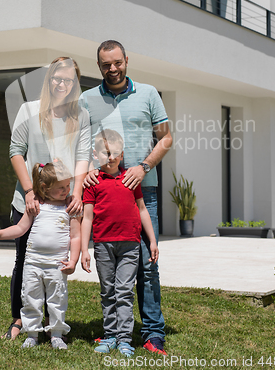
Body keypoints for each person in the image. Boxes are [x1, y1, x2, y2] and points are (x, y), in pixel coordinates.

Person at [80, 41, 172, 355]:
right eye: (106, 65)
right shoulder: (87, 99)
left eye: (117, 62)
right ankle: (115, 331)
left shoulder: (148, 94)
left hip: (142, 191)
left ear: (126, 60)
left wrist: (144, 166)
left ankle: (152, 332)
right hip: (103, 192)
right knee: (108, 264)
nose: (113, 69)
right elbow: (78, 143)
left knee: (147, 264)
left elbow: (166, 137)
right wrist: (88, 170)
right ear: (99, 66)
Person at [5, 57, 90, 340]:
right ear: (49, 79)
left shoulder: (82, 115)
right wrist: (29, 191)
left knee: (58, 263)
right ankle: (20, 319)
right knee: (23, 261)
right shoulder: (29, 110)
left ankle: (54, 323)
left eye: (69, 80)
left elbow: (83, 156)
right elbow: (16, 150)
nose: (62, 84)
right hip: (29, 202)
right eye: (57, 78)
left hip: (64, 204)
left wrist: (76, 191)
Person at [81, 129, 159, 358]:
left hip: (130, 246)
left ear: (122, 154)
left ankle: (124, 339)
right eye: (106, 153)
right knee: (108, 291)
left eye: (115, 153)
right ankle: (110, 335)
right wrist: (84, 249)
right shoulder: (92, 183)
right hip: (104, 245)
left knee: (124, 291)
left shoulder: (130, 180)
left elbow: (142, 210)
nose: (111, 157)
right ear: (96, 155)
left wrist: (152, 240)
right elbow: (87, 217)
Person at [0, 160, 80, 349]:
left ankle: (56, 334)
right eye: (61, 187)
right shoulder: (36, 206)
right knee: (31, 298)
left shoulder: (70, 209)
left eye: (68, 185)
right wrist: (0, 233)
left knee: (57, 300)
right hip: (33, 263)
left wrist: (74, 260)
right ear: (45, 187)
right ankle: (32, 334)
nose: (66, 190)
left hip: (57, 264)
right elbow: (20, 228)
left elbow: (76, 237)